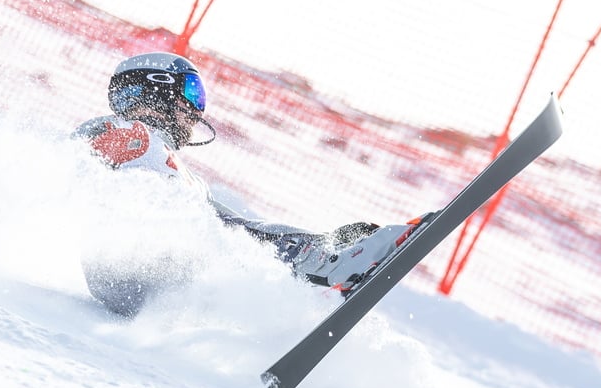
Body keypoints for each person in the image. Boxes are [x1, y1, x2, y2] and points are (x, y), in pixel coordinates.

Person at [73, 51, 424, 316]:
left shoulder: (178, 170)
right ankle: (331, 261)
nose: (197, 111)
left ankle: (313, 292)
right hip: (134, 266)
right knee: (241, 235)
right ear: (158, 90)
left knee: (240, 234)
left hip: (150, 285)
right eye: (192, 93)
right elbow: (84, 160)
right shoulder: (125, 134)